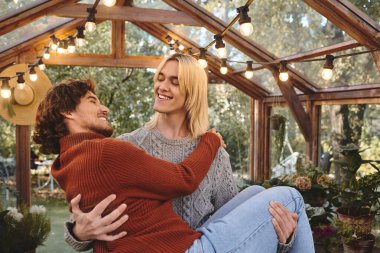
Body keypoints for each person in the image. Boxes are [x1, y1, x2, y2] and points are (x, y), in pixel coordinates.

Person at [64, 54, 311, 252]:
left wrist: (283, 239)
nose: (162, 86)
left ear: (192, 92)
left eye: (175, 81)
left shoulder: (215, 155)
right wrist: (79, 233)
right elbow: (89, 217)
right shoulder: (128, 145)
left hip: (197, 243)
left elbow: (231, 231)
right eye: (160, 78)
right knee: (292, 197)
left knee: (257, 193)